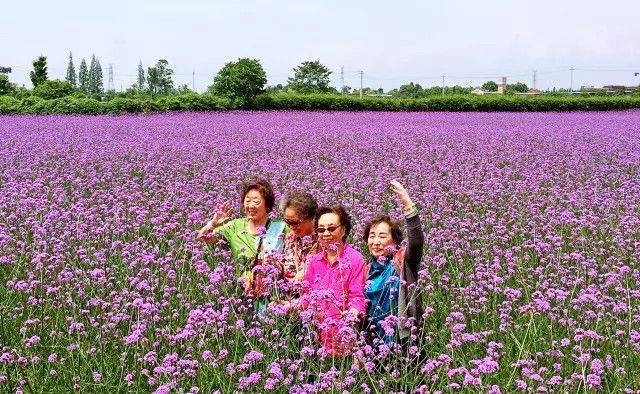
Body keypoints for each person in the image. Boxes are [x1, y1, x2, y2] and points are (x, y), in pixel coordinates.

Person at [196, 179, 287, 305]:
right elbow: (203, 237)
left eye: (256, 201)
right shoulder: (235, 226)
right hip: (243, 297)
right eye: (247, 201)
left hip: (274, 297)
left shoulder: (281, 228)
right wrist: (213, 224)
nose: (250, 206)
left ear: (267, 205)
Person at [362, 180, 425, 346]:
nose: (376, 241)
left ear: (396, 241)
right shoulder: (365, 271)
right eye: (372, 236)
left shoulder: (402, 261)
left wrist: (408, 205)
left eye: (382, 237)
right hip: (371, 342)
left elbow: (417, 241)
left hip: (402, 341)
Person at [301, 205, 367, 356]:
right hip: (316, 337)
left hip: (344, 337)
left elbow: (357, 296)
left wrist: (351, 316)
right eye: (321, 229)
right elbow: (307, 296)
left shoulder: (355, 259)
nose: (326, 234)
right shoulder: (314, 261)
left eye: (331, 229)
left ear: (343, 230)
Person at [281, 191, 319, 288]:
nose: (291, 227)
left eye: (294, 222)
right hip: (287, 296)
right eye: (287, 221)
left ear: (310, 218)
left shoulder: (323, 241)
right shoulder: (289, 238)